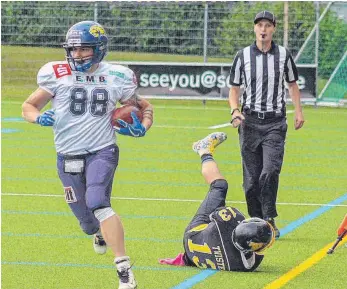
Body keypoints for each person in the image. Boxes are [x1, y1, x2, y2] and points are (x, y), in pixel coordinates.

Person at [21, 21, 154, 289]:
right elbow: (28, 105)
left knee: (98, 200)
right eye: (73, 49)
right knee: (87, 222)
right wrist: (37, 118)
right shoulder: (56, 72)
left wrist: (144, 127)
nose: (78, 54)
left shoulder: (117, 75)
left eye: (84, 49)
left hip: (102, 150)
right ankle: (98, 233)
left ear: (99, 48)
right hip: (66, 154)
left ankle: (124, 271)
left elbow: (143, 107)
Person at [228, 11, 305, 238]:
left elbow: (292, 85)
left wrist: (299, 111)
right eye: (260, 25)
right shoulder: (242, 56)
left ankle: (269, 218)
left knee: (269, 171)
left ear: (273, 29)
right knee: (251, 181)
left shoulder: (283, 55)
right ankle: (256, 222)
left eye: (267, 25)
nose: (263, 29)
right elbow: (234, 89)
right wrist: (235, 110)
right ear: (254, 29)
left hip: (275, 123)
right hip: (249, 122)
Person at [159, 132, 275, 272]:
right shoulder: (249, 265)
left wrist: (230, 225)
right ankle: (183, 259)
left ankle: (204, 151)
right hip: (191, 253)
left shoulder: (231, 219)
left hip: (193, 235)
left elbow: (216, 214)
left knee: (219, 186)